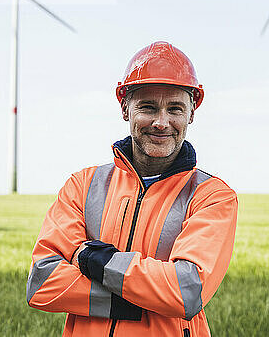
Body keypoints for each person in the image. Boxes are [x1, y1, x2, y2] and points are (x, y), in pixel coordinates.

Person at [26, 42, 238, 337]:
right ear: (125, 108)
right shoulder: (83, 186)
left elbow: (187, 290)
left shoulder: (211, 196)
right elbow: (42, 282)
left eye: (174, 109)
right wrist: (140, 301)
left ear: (192, 113)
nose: (161, 122)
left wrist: (92, 259)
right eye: (148, 107)